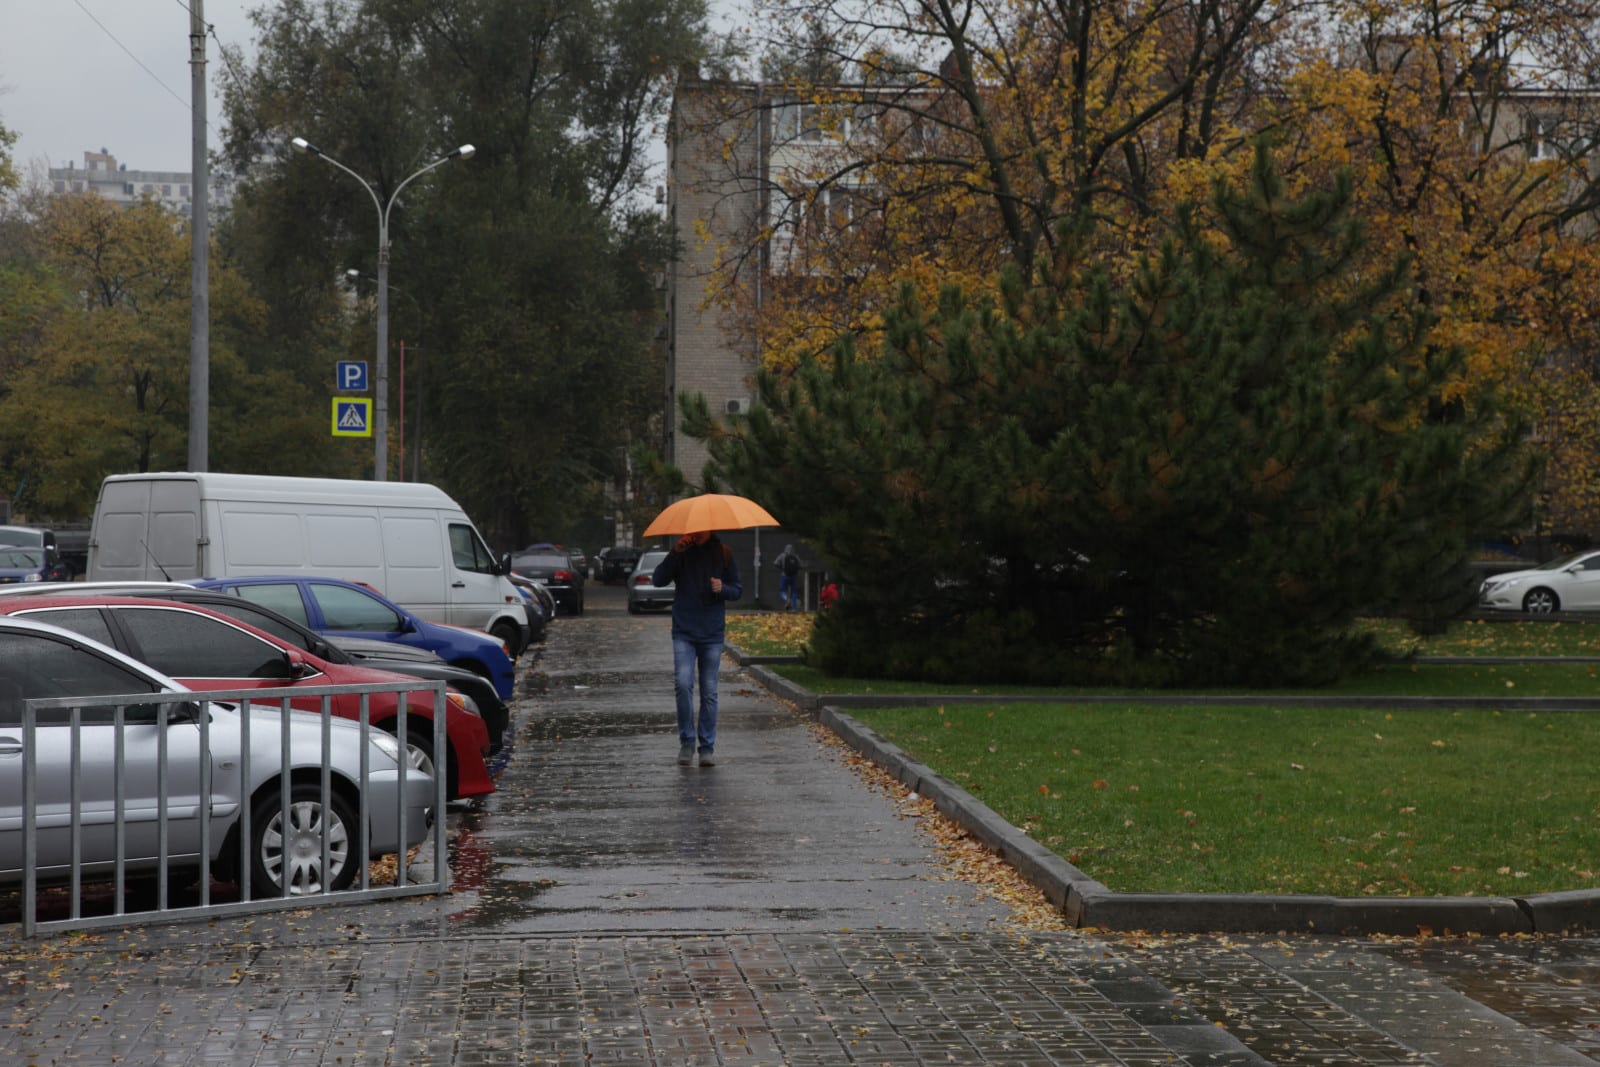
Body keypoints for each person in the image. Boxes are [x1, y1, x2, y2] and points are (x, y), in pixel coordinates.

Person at [652, 530, 742, 766]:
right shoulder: (681, 553)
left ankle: (707, 747)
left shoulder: (724, 554)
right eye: (693, 529)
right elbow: (658, 579)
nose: (696, 533)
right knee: (683, 684)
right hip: (684, 631)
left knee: (709, 691)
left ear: (710, 529)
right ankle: (687, 742)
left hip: (711, 632)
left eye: (701, 529)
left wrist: (722, 588)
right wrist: (674, 553)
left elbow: (737, 589)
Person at [774, 543, 801, 612]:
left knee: (782, 590)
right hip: (794, 577)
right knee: (794, 592)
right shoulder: (796, 556)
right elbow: (800, 566)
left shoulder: (782, 555)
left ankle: (787, 600)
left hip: (785, 575)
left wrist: (782, 568)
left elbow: (775, 563)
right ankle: (794, 608)